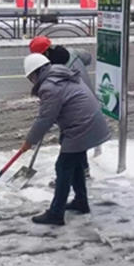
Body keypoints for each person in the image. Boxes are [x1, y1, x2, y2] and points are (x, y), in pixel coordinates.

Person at [21, 53, 110, 226]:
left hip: (82, 128)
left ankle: (56, 213)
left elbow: (45, 119)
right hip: (88, 123)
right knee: (75, 165)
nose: (31, 81)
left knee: (63, 167)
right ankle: (81, 202)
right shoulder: (61, 74)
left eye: (30, 78)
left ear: (35, 74)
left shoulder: (50, 87)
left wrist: (29, 141)